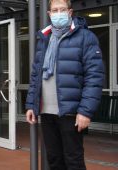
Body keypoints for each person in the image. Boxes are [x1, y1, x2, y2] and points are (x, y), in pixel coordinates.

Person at [25, 0, 105, 169]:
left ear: (70, 12)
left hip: (71, 113)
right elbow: (36, 75)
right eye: (55, 10)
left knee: (73, 160)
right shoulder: (44, 38)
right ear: (49, 14)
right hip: (46, 112)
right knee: (54, 159)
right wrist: (31, 105)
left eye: (62, 9)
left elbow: (95, 77)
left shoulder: (85, 37)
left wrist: (85, 111)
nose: (58, 13)